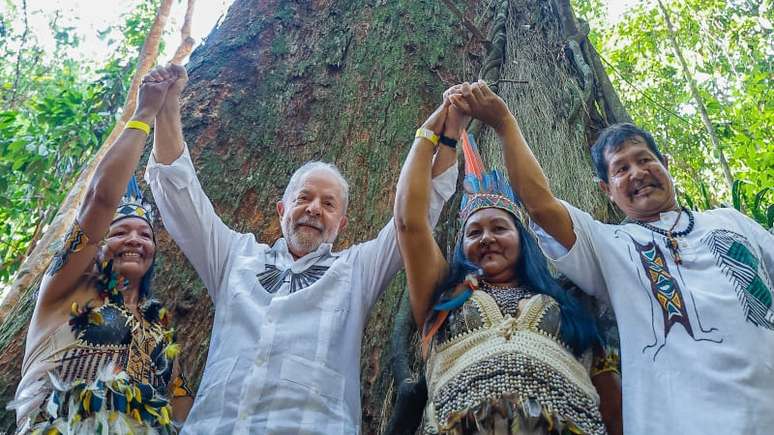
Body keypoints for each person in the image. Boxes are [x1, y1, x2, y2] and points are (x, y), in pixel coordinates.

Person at [142, 64, 458, 433]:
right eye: (304, 198)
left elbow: (418, 211)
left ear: (341, 225)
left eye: (328, 204)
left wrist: (447, 133)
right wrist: (167, 108)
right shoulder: (234, 258)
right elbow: (180, 195)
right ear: (282, 211)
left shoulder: (356, 270)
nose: (313, 209)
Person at [448, 80, 774, 434]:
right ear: (606, 189)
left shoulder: (731, 221)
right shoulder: (610, 245)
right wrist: (503, 121)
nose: (637, 173)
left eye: (645, 160)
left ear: (665, 164)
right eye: (620, 169)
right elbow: (540, 204)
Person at [395, 88, 612, 434]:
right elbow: (409, 222)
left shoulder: (572, 300)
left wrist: (504, 122)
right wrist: (435, 131)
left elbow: (611, 397)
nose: (486, 238)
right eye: (474, 232)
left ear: (523, 240)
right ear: (461, 246)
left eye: (499, 228)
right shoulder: (443, 294)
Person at [9, 74, 193, 433]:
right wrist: (144, 112)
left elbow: (184, 416)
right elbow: (100, 199)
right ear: (97, 245)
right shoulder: (64, 289)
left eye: (145, 234)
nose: (134, 239)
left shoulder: (158, 333)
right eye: (119, 231)